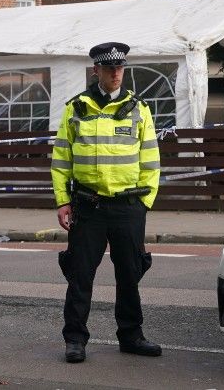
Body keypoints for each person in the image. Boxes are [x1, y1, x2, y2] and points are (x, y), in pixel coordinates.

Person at [52, 41, 162, 364]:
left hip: (129, 207)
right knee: (80, 274)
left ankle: (131, 335)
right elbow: (61, 159)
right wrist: (62, 201)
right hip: (89, 206)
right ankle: (75, 339)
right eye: (109, 68)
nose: (116, 73)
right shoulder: (77, 108)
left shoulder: (139, 109)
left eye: (120, 68)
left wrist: (145, 203)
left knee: (129, 274)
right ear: (96, 70)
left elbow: (151, 160)